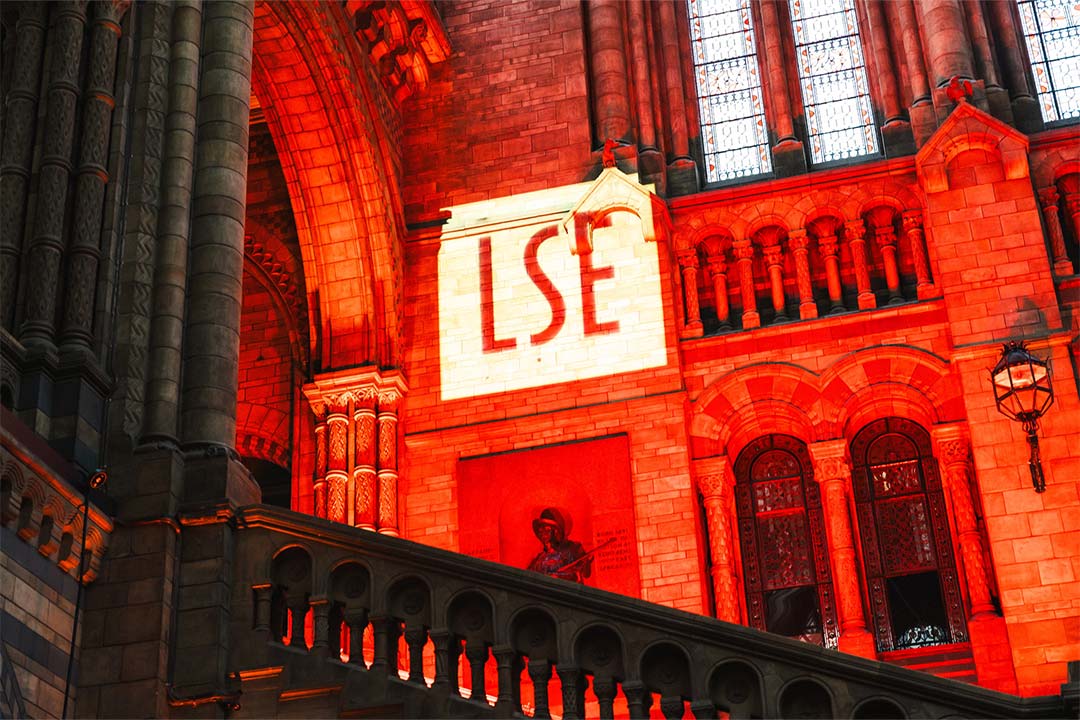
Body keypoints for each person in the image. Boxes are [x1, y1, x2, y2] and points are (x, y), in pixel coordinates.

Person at [527, 507, 592, 583]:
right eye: (541, 531)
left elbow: (586, 574)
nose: (543, 534)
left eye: (547, 530)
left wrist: (585, 563)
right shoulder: (539, 559)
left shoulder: (573, 548)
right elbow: (528, 579)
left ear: (556, 531)